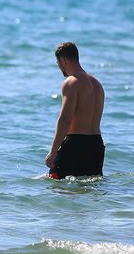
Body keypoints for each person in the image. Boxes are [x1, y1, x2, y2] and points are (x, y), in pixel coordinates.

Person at [45, 42, 105, 179]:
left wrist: (53, 152)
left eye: (58, 62)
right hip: (96, 146)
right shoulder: (97, 84)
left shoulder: (72, 82)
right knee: (89, 187)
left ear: (63, 60)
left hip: (76, 145)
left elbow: (65, 119)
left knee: (55, 184)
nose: (58, 66)